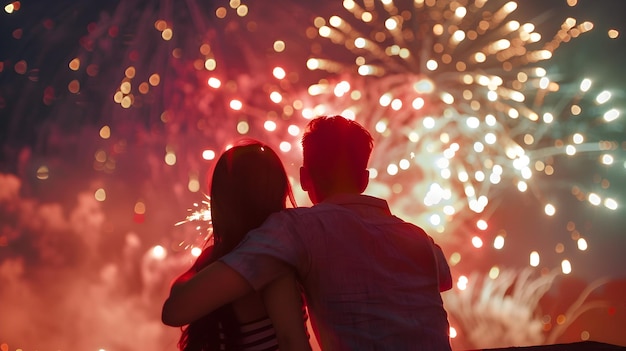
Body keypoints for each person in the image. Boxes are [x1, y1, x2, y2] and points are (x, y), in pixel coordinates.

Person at [163, 116, 453, 351]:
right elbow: (441, 280)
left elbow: (176, 310)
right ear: (364, 180)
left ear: (304, 178)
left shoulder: (296, 230)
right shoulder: (421, 240)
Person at [168, 140, 311, 351]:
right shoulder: (273, 264)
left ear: (221, 200)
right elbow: (292, 342)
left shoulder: (219, 260)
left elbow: (174, 304)